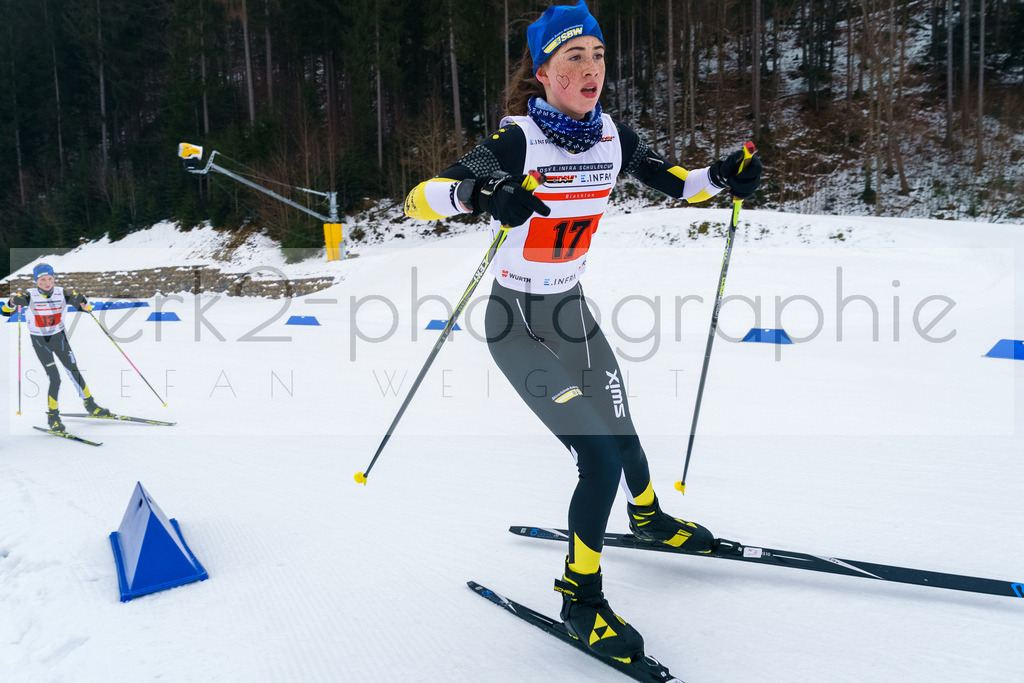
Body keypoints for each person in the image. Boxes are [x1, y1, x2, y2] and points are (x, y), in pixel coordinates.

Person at [403, 0, 762, 663]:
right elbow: (420, 196)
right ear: (543, 74)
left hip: (571, 313)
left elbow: (679, 185)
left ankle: (649, 518)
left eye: (597, 55)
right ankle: (580, 597)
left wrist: (725, 176)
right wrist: (481, 196)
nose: (591, 68)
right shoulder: (516, 143)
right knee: (595, 456)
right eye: (575, 58)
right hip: (515, 323)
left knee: (620, 427)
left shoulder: (613, 137)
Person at [3, 263, 112, 432]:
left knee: (74, 371)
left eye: (50, 278)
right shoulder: (29, 295)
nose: (47, 282)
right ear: (36, 281)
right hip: (40, 342)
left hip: (59, 338)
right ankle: (53, 417)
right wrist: (11, 302)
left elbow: (87, 309)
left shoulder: (62, 293)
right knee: (55, 378)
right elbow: (4, 312)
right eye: (42, 280)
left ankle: (91, 406)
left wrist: (83, 301)